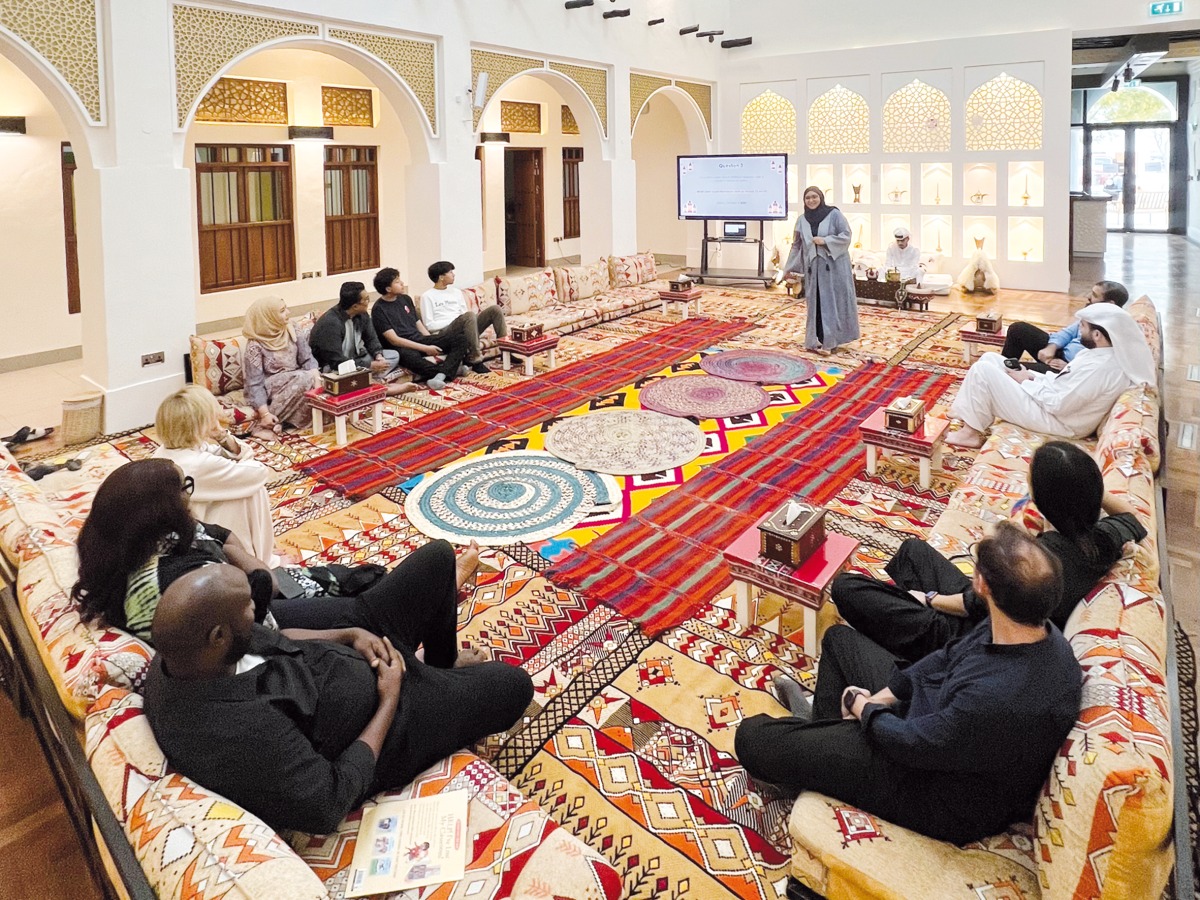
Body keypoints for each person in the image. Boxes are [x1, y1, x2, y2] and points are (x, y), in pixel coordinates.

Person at [734, 522, 1082, 845]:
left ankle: (810, 759)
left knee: (752, 737)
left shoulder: (993, 698)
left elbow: (914, 744)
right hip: (932, 728)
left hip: (933, 788)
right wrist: (887, 695)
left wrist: (863, 707)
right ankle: (817, 743)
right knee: (839, 640)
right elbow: (946, 657)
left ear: (981, 586)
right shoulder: (1035, 630)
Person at [142, 563, 533, 834]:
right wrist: (389, 698)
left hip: (368, 656)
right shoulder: (238, 732)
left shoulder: (186, 653)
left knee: (438, 560)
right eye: (248, 607)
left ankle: (439, 665)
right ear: (219, 636)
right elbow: (329, 801)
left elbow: (276, 639)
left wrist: (347, 634)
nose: (259, 611)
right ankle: (435, 680)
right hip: (398, 720)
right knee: (514, 687)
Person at [70, 459, 481, 647]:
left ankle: (436, 594)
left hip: (266, 597)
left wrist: (253, 568)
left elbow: (224, 535)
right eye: (184, 488)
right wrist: (257, 573)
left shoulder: (146, 541)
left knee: (367, 575)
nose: (189, 498)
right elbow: (255, 627)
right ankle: (440, 627)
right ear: (161, 509)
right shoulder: (176, 583)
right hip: (268, 622)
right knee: (380, 602)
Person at [831, 441, 1147, 662]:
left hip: (974, 636)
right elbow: (1133, 518)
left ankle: (908, 643)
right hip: (995, 614)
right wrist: (1084, 486)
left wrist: (926, 599)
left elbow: (973, 603)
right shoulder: (1103, 539)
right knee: (912, 550)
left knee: (848, 587)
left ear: (1045, 499)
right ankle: (900, 623)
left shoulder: (1039, 560)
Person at [945, 302, 1155, 449]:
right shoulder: (1099, 355)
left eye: (1082, 327)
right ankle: (968, 416)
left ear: (1097, 335)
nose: (1079, 331)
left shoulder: (1102, 369)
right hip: (1053, 405)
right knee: (991, 359)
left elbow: (1059, 404)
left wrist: (1026, 383)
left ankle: (970, 434)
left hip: (1059, 423)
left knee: (983, 371)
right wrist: (1031, 377)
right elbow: (1062, 383)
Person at [152, 385, 276, 563]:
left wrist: (221, 436)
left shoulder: (166, 450)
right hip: (194, 535)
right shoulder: (197, 465)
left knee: (243, 486)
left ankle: (256, 556)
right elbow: (258, 473)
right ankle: (259, 560)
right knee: (254, 492)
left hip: (181, 529)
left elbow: (233, 454)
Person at [780, 187, 860, 356]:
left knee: (831, 303)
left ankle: (830, 343)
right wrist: (789, 269)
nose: (811, 200)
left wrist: (826, 240)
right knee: (815, 303)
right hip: (813, 270)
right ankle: (814, 339)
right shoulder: (802, 220)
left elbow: (846, 235)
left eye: (814, 197)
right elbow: (797, 245)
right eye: (807, 197)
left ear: (821, 197)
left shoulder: (834, 214)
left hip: (834, 268)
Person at [308, 282, 417, 398]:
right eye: (366, 300)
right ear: (355, 306)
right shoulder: (331, 323)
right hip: (335, 365)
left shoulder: (362, 314)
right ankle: (382, 388)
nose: (368, 302)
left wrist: (378, 355)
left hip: (358, 358)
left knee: (393, 355)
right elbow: (335, 359)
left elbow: (371, 338)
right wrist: (369, 365)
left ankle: (369, 379)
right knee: (342, 371)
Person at [371, 267, 469, 390]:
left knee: (460, 339)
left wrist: (432, 339)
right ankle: (448, 372)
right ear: (388, 289)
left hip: (419, 338)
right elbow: (394, 340)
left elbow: (417, 323)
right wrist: (425, 348)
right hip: (402, 346)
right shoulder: (379, 309)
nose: (401, 283)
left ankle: (442, 374)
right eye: (397, 281)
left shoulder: (405, 298)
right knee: (411, 358)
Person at [1002, 281, 1129, 373]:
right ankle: (1001, 362)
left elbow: (1097, 362)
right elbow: (1067, 333)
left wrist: (1069, 367)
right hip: (1059, 353)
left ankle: (1000, 373)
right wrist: (1050, 348)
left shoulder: (1110, 330)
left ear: (1110, 303)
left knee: (1010, 369)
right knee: (1018, 328)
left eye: (1095, 295)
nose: (1088, 297)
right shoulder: (1091, 313)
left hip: (1065, 368)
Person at [241, 295, 321, 440]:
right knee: (305, 378)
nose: (288, 313)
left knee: (318, 384)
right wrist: (264, 413)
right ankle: (262, 424)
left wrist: (317, 381)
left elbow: (307, 358)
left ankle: (281, 423)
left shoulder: (292, 328)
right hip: (269, 387)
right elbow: (255, 384)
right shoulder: (255, 345)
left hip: (297, 379)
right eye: (283, 311)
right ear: (268, 317)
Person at [419, 261, 507, 374]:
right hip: (444, 332)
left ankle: (506, 351)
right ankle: (475, 359)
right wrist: (457, 320)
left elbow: (465, 315)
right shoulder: (427, 296)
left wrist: (462, 320)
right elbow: (429, 325)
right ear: (441, 277)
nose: (453, 275)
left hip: (464, 326)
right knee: (468, 316)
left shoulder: (456, 292)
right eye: (450, 272)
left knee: (495, 310)